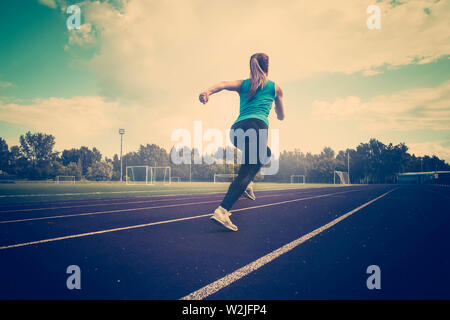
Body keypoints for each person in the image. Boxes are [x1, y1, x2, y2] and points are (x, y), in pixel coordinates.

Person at [199, 53, 285, 231]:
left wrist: (207, 92)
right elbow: (282, 116)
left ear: (251, 66)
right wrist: (276, 108)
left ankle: (248, 183)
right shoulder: (275, 88)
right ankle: (222, 211)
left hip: (237, 130)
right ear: (268, 67)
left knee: (265, 153)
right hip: (257, 128)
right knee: (247, 172)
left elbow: (222, 84)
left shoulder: (243, 84)